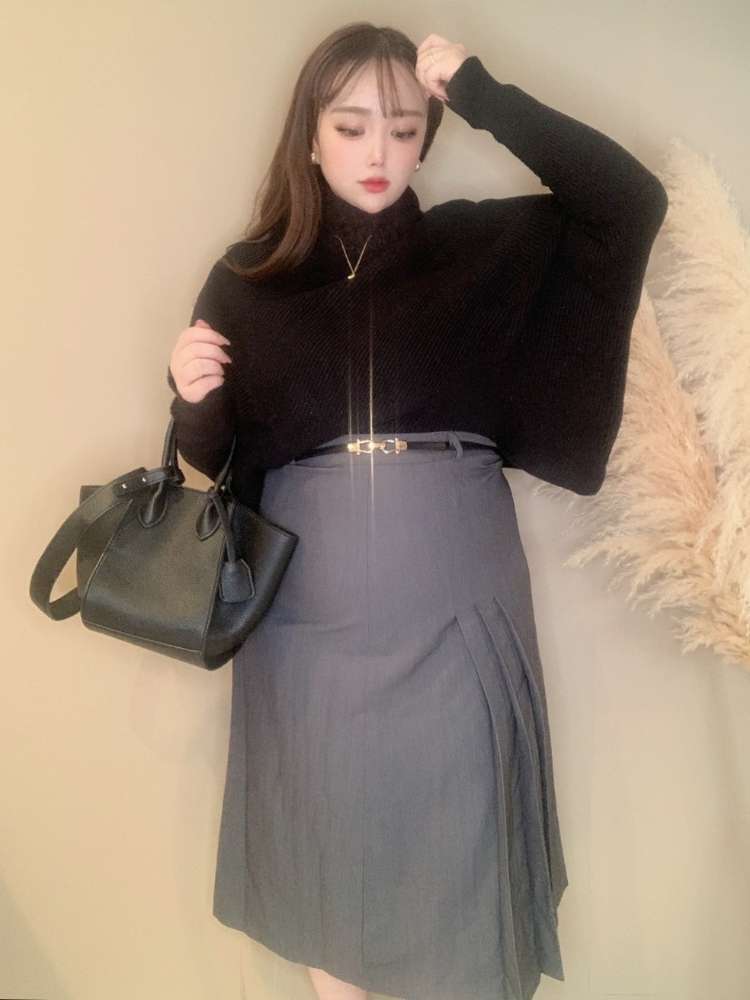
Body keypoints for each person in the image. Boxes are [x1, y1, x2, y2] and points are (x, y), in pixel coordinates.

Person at [167, 22, 668, 1000]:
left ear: (427, 138)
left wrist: (476, 89)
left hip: (458, 600)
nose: (379, 151)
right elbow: (216, 463)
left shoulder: (480, 247)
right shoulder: (248, 278)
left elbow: (628, 201)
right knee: (326, 865)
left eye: (403, 129)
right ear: (311, 137)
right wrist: (194, 401)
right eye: (352, 126)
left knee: (464, 860)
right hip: (302, 624)